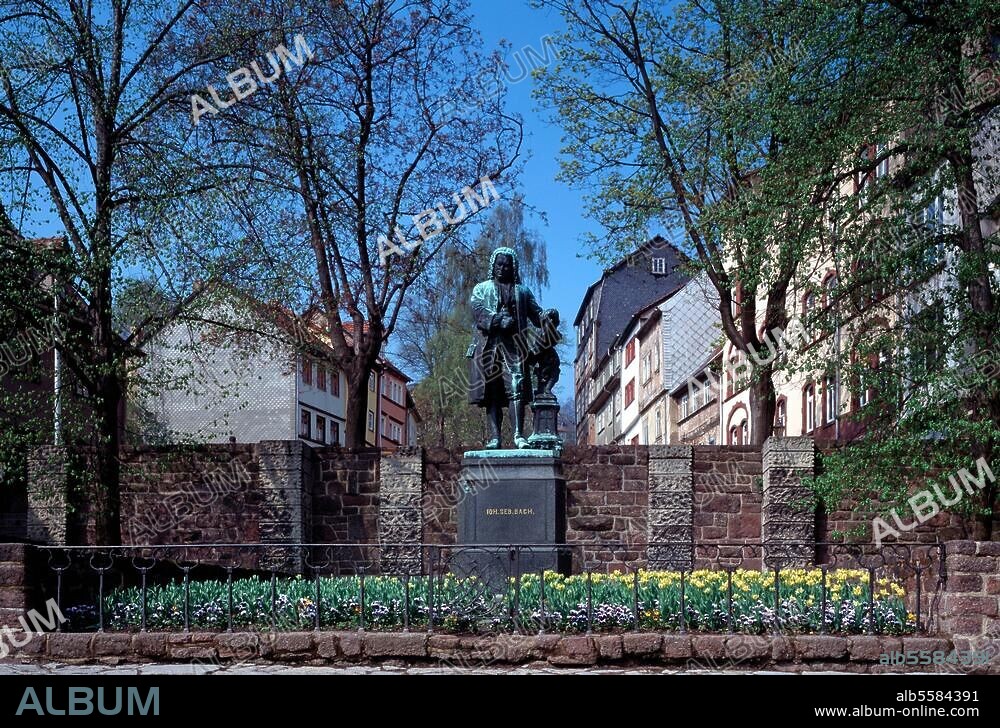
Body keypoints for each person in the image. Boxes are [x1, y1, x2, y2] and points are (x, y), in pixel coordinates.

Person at [467, 247, 543, 448]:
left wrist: (548, 317)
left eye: (507, 265)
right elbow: (477, 311)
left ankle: (518, 435)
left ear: (513, 267)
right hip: (488, 347)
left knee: (516, 387)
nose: (502, 268)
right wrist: (497, 320)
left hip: (515, 348)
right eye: (499, 264)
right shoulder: (481, 289)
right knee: (491, 391)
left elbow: (537, 316)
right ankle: (495, 437)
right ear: (493, 265)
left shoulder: (523, 291)